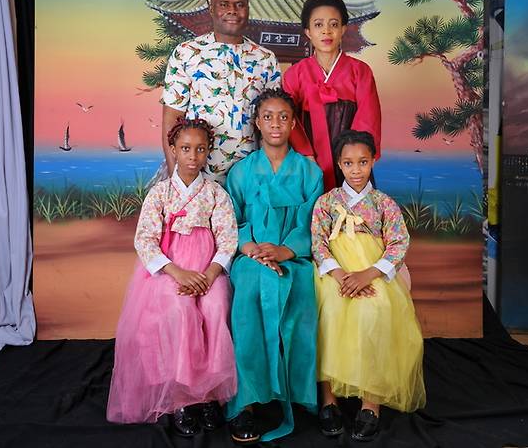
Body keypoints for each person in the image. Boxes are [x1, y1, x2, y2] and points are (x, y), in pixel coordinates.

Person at [107, 118, 238, 438]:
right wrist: (177, 272)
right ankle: (181, 396)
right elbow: (145, 240)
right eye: (185, 149)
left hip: (206, 270)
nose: (193, 156)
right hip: (172, 270)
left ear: (208, 152)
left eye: (200, 149)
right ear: (174, 150)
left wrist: (210, 274)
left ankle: (208, 393)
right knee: (179, 312)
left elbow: (228, 239)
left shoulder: (216, 193)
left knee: (216, 307)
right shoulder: (160, 193)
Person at [310, 130, 425, 442]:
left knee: (375, 311)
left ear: (373, 160)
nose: (356, 170)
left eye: (363, 162)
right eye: (348, 163)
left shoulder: (383, 203)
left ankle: (371, 402)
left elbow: (399, 243)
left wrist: (367, 275)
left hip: (371, 272)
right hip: (335, 272)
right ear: (339, 164)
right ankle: (329, 399)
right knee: (329, 311)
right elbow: (318, 243)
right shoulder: (326, 202)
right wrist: (340, 275)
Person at [224, 88, 323, 444]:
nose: (276, 123)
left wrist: (284, 251)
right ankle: (246, 403)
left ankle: (296, 393)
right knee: (249, 294)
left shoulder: (310, 172)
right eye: (267, 117)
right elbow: (232, 219)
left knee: (302, 295)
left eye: (283, 117)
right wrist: (251, 248)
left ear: (294, 123)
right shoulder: (240, 172)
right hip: (251, 259)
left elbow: (313, 223)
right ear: (257, 122)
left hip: (293, 259)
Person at [161, 0, 281, 184]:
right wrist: (179, 182)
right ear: (211, 8)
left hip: (250, 176)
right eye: (224, 4)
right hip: (199, 174)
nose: (232, 10)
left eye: (239, 4)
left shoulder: (265, 59)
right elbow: (172, 119)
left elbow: (273, 121)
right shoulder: (186, 53)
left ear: (248, 9)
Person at [283, 0, 382, 191]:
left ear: (343, 29)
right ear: (308, 31)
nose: (326, 31)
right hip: (309, 161)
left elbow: (368, 117)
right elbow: (288, 118)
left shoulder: (360, 71)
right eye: (318, 25)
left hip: (351, 162)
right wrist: (306, 155)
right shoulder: (294, 74)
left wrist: (353, 159)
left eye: (334, 24)